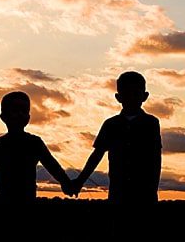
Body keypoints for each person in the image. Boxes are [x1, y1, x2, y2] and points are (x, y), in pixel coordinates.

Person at [0, 91, 74, 203]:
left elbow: (52, 165)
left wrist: (65, 182)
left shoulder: (33, 143)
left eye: (24, 111)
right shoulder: (1, 144)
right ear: (3, 117)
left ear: (28, 117)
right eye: (15, 110)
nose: (20, 114)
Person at [69, 71, 162, 203]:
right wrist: (80, 181)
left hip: (145, 194)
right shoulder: (110, 124)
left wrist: (152, 189)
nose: (131, 98)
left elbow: (155, 158)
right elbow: (97, 154)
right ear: (119, 97)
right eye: (127, 94)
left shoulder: (151, 123)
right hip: (118, 193)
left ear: (144, 96)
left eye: (135, 93)